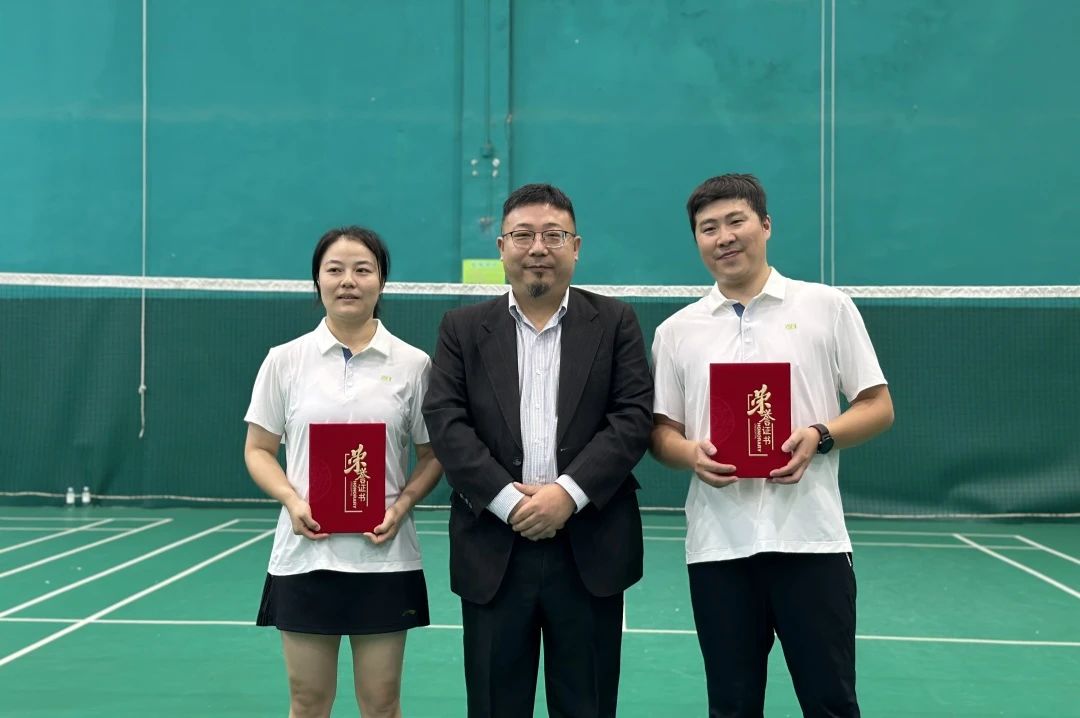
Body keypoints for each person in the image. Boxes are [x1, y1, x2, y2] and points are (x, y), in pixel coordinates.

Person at [650, 174, 894, 718]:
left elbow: (878, 405)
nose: (723, 237)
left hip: (812, 542)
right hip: (718, 549)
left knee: (831, 702)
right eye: (708, 228)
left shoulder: (827, 306)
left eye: (735, 221)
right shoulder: (675, 331)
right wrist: (690, 454)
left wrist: (821, 436)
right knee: (731, 706)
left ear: (765, 225)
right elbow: (662, 433)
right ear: (697, 240)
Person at [422, 183, 653, 717]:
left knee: (587, 705)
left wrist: (567, 495)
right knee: (495, 704)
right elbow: (447, 423)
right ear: (502, 247)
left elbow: (632, 418)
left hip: (590, 550)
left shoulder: (616, 323)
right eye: (523, 235)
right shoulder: (462, 329)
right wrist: (510, 503)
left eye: (554, 235)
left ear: (576, 246)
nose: (538, 248)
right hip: (493, 551)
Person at [243, 226, 442, 718]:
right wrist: (292, 501)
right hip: (305, 559)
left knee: (382, 704)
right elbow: (259, 450)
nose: (348, 280)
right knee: (308, 702)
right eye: (334, 270)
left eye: (362, 270)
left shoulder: (414, 364)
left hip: (385, 559)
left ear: (381, 281)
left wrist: (402, 506)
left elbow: (433, 455)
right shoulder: (284, 361)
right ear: (318, 281)